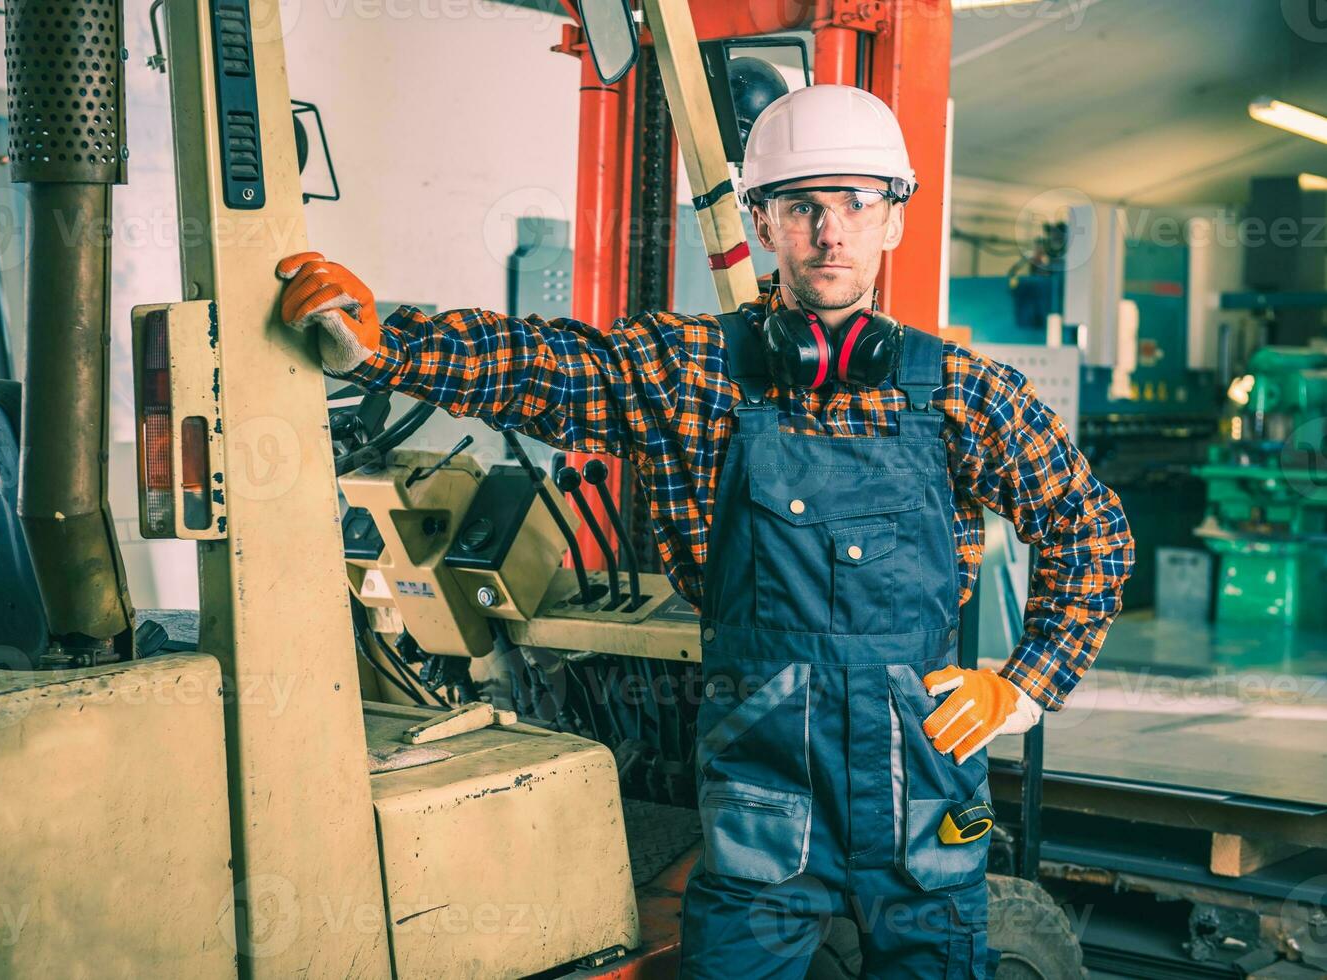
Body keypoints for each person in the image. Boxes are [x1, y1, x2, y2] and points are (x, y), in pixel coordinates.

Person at [275, 84, 1133, 978]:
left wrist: (1020, 688)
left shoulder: (961, 389)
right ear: (764, 223)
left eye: (856, 203)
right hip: (765, 798)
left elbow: (1092, 533)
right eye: (804, 206)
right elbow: (547, 366)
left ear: (894, 222)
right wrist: (391, 343)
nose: (831, 232)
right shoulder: (691, 374)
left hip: (921, 790)